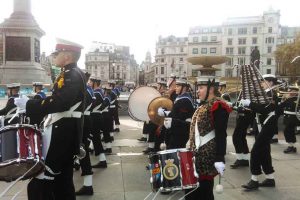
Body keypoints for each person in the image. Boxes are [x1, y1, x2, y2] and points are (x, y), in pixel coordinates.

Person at [15, 38, 85, 200]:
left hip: (63, 133)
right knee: (63, 182)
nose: (54, 57)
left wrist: (30, 105)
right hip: (65, 131)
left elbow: (61, 102)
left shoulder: (72, 74)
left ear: (67, 56)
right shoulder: (69, 73)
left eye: (57, 53)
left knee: (45, 180)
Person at [187, 76, 231, 200]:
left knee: (204, 192)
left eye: (201, 87)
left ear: (211, 89)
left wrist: (220, 157)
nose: (197, 91)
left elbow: (221, 134)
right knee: (193, 192)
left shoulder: (218, 105)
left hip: (207, 158)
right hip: (197, 156)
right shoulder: (204, 105)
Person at [240, 74, 280, 191]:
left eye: (263, 81)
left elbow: (265, 110)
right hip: (261, 125)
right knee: (264, 152)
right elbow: (258, 109)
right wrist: (245, 106)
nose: (260, 84)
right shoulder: (264, 94)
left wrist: (250, 104)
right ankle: (270, 178)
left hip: (268, 126)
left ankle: (254, 179)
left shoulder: (272, 94)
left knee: (256, 151)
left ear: (271, 82)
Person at [158, 77, 194, 149]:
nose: (175, 88)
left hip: (179, 134)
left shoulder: (185, 101)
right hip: (176, 132)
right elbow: (176, 112)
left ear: (184, 88)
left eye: (178, 86)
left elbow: (180, 117)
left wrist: (165, 113)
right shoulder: (181, 98)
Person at [75, 72, 95, 196]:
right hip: (85, 120)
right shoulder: (87, 91)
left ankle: (88, 185)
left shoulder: (83, 92)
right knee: (82, 150)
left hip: (82, 122)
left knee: (83, 151)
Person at [89, 77, 108, 166]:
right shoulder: (100, 92)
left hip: (95, 117)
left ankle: (102, 161)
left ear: (95, 83)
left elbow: (91, 105)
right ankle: (102, 159)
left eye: (90, 81)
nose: (89, 83)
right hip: (97, 116)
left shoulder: (96, 93)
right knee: (94, 138)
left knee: (95, 138)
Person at [281, 85, 299, 153]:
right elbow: (281, 106)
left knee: (287, 131)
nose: (288, 92)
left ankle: (291, 146)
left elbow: (294, 107)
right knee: (289, 132)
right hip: (288, 118)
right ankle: (292, 146)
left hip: (293, 119)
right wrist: (283, 99)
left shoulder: (297, 99)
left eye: (290, 91)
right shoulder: (288, 99)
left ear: (295, 92)